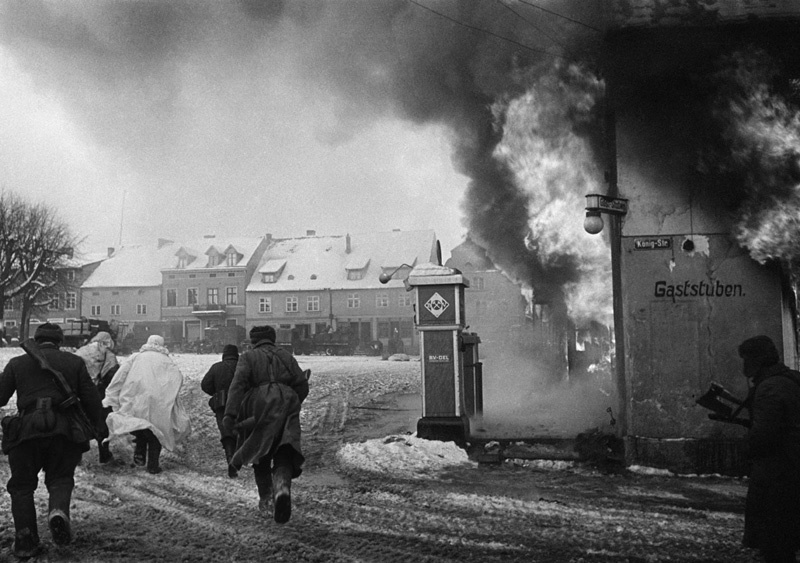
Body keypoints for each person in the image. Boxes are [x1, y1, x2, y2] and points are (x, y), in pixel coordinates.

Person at [0, 323, 108, 557]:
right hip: (64, 430)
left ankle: (25, 540)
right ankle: (58, 511)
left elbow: (0, 395)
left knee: (21, 486)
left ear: (37, 340)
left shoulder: (17, 363)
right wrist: (98, 427)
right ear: (60, 341)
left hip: (27, 430)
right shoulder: (74, 362)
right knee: (60, 478)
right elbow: (91, 399)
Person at [222, 325, 309, 524]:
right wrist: (294, 400)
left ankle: (267, 500)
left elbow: (237, 385)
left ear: (253, 341)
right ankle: (282, 488)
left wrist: (230, 413)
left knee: (260, 453)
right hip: (287, 402)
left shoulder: (248, 357)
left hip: (259, 404)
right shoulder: (286, 355)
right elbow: (302, 383)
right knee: (285, 448)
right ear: (273, 338)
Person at [738, 335, 800, 563]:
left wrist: (745, 447)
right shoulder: (791, 379)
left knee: (776, 544)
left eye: (746, 359)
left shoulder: (770, 388)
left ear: (757, 360)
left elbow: (765, 436)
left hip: (778, 476)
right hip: (791, 470)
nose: (744, 365)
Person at [103, 335, 191, 475]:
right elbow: (177, 378)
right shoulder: (167, 360)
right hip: (159, 401)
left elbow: (120, 375)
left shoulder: (136, 357)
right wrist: (169, 393)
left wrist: (112, 393)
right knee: (157, 431)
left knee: (139, 423)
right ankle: (153, 465)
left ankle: (140, 452)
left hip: (136, 396)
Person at [76, 331, 119, 464]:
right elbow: (113, 375)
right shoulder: (109, 355)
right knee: (102, 424)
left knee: (80, 422)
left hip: (81, 394)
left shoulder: (80, 351)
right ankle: (104, 454)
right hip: (100, 394)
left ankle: (77, 456)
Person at [201, 344, 240, 478]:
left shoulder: (216, 367)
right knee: (243, 430)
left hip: (222, 405)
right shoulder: (244, 366)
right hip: (243, 404)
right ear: (237, 354)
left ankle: (230, 459)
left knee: (227, 433)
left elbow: (205, 385)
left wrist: (217, 393)